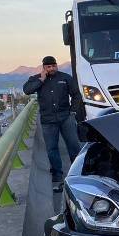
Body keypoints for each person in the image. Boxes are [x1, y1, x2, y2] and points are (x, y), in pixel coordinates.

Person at [23, 56, 84, 192]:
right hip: (48, 120)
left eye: (53, 66)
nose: (52, 69)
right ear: (44, 68)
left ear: (57, 66)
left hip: (65, 117)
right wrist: (41, 80)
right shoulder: (36, 78)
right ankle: (57, 175)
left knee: (74, 145)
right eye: (48, 67)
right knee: (52, 149)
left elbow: (76, 94)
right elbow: (27, 90)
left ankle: (79, 173)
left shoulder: (65, 77)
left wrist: (73, 111)